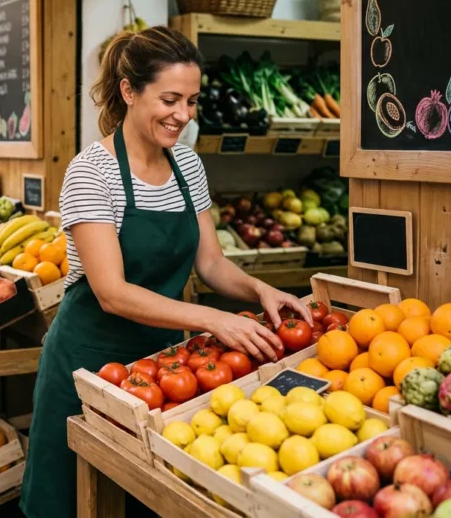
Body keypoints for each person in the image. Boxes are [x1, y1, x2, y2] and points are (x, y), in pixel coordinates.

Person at [19, 27, 312, 518]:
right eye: (170, 99)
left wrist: (261, 289)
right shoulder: (92, 172)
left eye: (192, 101)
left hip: (166, 368)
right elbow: (111, 292)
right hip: (90, 363)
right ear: (129, 91)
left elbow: (212, 263)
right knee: (72, 500)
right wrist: (213, 320)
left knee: (150, 498)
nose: (184, 115)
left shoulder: (188, 166)